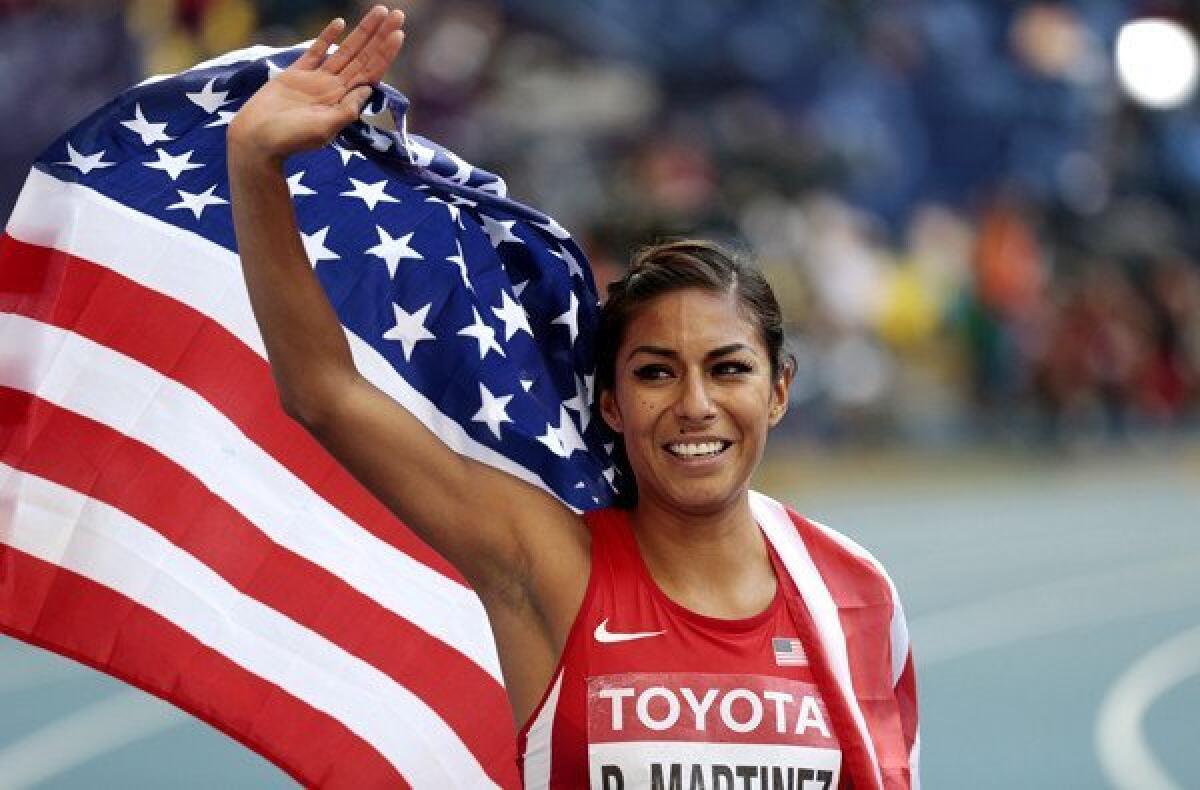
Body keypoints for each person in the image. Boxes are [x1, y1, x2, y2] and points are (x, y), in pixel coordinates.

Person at [228, 6, 918, 788]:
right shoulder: (551, 568)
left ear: (780, 390)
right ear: (613, 402)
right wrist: (255, 164)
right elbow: (324, 393)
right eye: (656, 371)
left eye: (729, 369)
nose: (695, 404)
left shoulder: (856, 594)